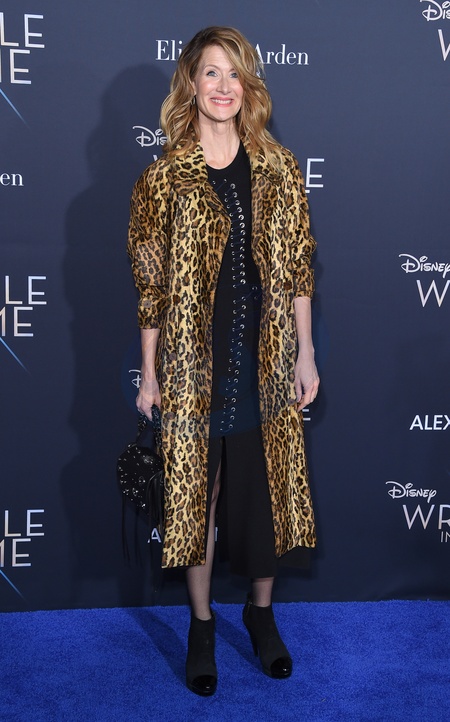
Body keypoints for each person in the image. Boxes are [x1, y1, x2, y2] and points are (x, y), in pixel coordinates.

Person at [128, 26, 319, 696]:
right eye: (211, 72)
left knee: (264, 492)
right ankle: (203, 625)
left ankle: (261, 616)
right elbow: (151, 286)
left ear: (249, 86)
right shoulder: (162, 179)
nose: (224, 86)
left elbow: (297, 269)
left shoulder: (279, 166)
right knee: (196, 497)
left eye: (235, 73)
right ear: (190, 83)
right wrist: (150, 372)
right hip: (191, 363)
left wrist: (306, 353)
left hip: (264, 357)